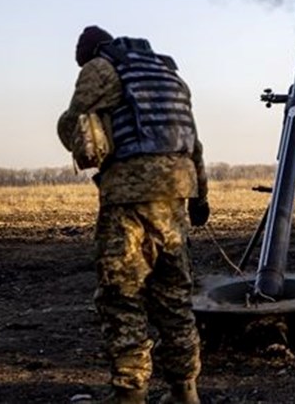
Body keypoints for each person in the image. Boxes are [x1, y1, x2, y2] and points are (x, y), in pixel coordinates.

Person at [58, 26, 208, 404]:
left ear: (90, 52)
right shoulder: (168, 74)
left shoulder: (100, 68)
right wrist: (200, 195)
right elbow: (193, 139)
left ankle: (130, 396)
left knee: (122, 296)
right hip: (174, 197)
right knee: (174, 298)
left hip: (128, 200)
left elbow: (75, 124)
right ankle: (185, 393)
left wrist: (78, 132)